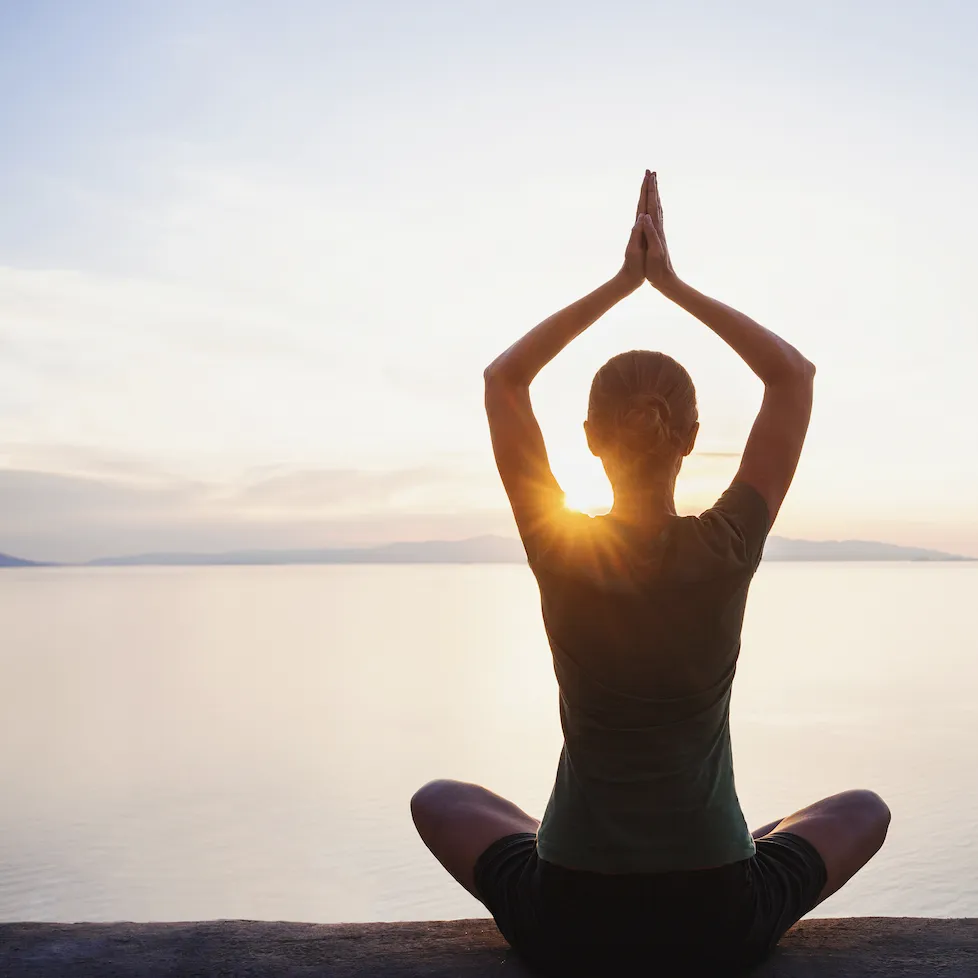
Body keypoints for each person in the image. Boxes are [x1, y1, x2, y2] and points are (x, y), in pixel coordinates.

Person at [410, 171, 890, 975]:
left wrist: (621, 284)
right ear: (692, 436)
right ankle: (728, 841)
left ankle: (584, 842)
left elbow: (503, 382)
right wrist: (671, 284)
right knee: (862, 810)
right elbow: (793, 378)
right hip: (717, 913)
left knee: (441, 800)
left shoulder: (559, 548)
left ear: (591, 438)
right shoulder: (728, 544)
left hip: (573, 911)